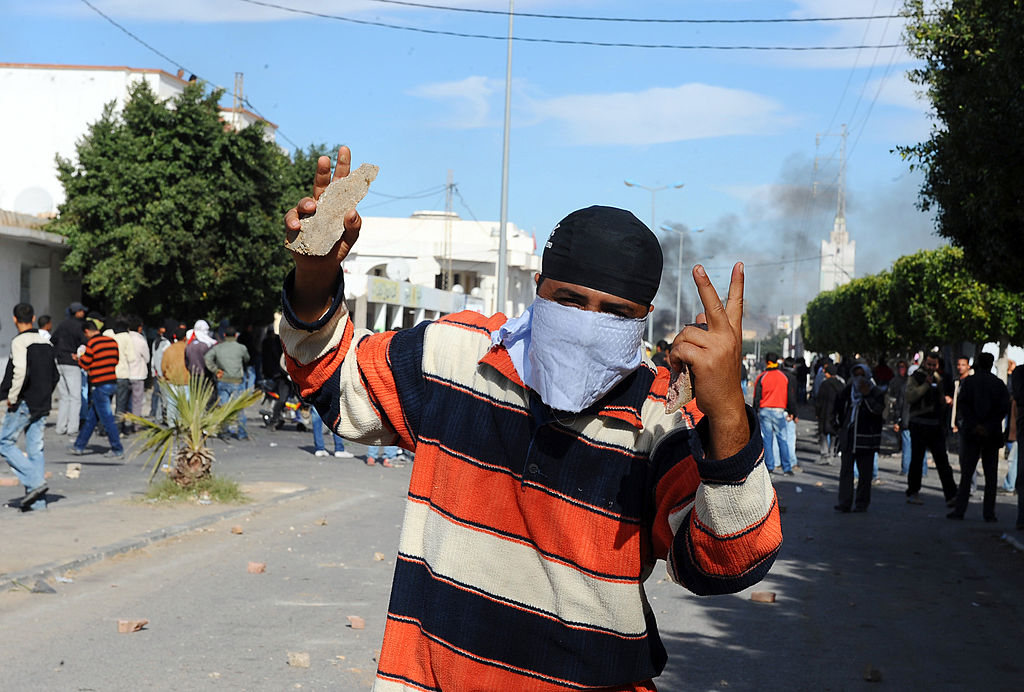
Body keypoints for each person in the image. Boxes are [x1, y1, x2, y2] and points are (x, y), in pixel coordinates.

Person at [279, 147, 781, 691]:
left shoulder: (659, 420)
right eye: (570, 300)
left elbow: (726, 561)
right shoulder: (457, 358)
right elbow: (333, 379)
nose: (589, 324)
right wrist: (315, 272)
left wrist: (728, 410)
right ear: (539, 289)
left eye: (615, 312)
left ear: (644, 320)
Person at [0, 303, 59, 511]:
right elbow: (55, 375)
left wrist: (12, 397)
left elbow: (20, 371)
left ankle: (36, 482)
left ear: (14, 319)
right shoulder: (46, 343)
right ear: (33, 318)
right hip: (43, 402)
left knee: (4, 442)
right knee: (35, 448)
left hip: (25, 401)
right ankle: (38, 503)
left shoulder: (19, 342)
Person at [947, 353, 1010, 521]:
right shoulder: (998, 384)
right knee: (990, 477)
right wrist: (988, 426)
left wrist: (975, 425)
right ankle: (989, 513)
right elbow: (1003, 408)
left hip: (972, 433)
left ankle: (960, 510)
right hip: (991, 433)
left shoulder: (969, 383)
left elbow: (963, 406)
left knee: (967, 474)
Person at [905, 352, 958, 505]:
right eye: (929, 364)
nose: (931, 368)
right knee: (916, 460)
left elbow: (942, 396)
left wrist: (945, 400)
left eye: (934, 365)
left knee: (942, 461)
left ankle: (951, 495)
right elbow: (910, 396)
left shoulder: (939, 378)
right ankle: (913, 492)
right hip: (919, 423)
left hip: (935, 424)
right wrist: (925, 386)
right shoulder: (916, 377)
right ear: (924, 363)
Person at [833, 362, 885, 513]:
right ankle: (844, 502)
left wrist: (867, 394)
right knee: (846, 471)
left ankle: (862, 503)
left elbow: (878, 411)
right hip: (849, 438)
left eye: (862, 374)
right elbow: (838, 410)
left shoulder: (875, 392)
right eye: (856, 375)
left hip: (866, 439)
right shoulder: (848, 391)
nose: (859, 378)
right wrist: (838, 427)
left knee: (865, 474)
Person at [69, 319, 123, 458]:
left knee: (107, 418)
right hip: (112, 381)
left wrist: (78, 359)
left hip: (100, 384)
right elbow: (116, 360)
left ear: (87, 331)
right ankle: (79, 446)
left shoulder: (92, 343)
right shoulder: (112, 342)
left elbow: (86, 364)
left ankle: (117, 448)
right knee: (92, 417)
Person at [753, 352, 797, 475]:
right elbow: (790, 396)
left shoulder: (762, 376)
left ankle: (769, 466)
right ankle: (787, 468)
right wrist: (792, 412)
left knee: (767, 440)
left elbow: (757, 397)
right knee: (782, 439)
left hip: (765, 411)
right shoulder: (783, 377)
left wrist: (755, 411)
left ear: (767, 361)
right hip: (779, 411)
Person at [204, 326, 252, 440]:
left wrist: (216, 370)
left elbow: (207, 358)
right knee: (239, 408)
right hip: (237, 381)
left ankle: (224, 432)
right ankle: (242, 434)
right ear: (236, 336)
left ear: (224, 335)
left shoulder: (218, 348)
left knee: (223, 407)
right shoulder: (241, 348)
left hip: (222, 380)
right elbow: (247, 359)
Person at [50, 301, 88, 436]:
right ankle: (72, 428)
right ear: (77, 312)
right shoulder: (80, 326)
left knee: (64, 397)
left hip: (59, 361)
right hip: (72, 363)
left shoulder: (62, 324)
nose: (83, 313)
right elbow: (85, 342)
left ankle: (60, 427)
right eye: (81, 311)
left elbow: (53, 340)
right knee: (75, 397)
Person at [815, 364, 844, 465]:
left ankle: (824, 454)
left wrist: (817, 412)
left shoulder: (825, 384)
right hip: (835, 414)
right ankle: (832, 454)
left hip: (824, 412)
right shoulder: (840, 384)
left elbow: (819, 399)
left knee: (823, 434)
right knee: (834, 434)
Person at [160, 327, 190, 425]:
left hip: (172, 381)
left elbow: (163, 367)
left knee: (172, 406)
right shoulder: (188, 349)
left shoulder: (169, 349)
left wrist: (166, 375)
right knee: (184, 407)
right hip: (186, 382)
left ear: (175, 336)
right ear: (185, 338)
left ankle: (172, 427)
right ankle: (183, 426)